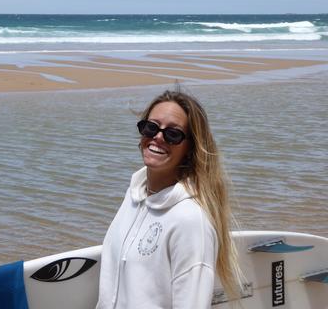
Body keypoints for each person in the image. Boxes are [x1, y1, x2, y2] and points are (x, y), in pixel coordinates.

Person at [96, 89, 240, 309]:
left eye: (173, 134)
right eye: (151, 127)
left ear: (190, 148)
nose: (158, 137)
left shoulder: (190, 221)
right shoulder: (135, 193)